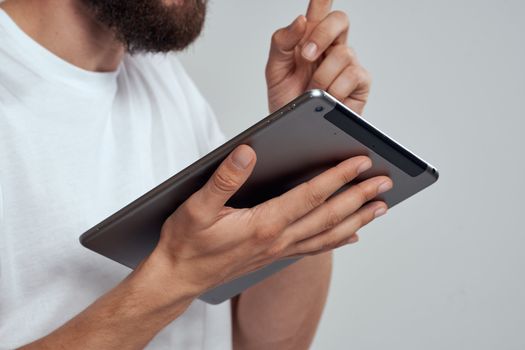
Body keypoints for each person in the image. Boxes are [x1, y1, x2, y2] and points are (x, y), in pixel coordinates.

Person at [0, 0, 392, 348]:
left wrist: (305, 144)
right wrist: (173, 279)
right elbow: (182, 278)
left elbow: (266, 343)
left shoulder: (160, 77)